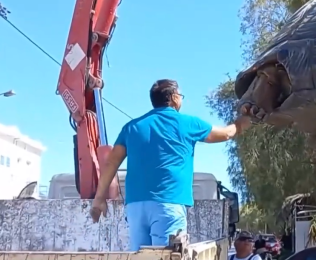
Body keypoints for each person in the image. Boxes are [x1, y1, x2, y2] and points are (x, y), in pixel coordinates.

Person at [89, 79, 252, 250]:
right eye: (180, 95)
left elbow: (111, 162)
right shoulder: (188, 123)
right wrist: (241, 123)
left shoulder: (131, 127)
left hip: (135, 207)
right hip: (168, 203)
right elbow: (226, 134)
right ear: (174, 97)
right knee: (167, 255)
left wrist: (99, 198)